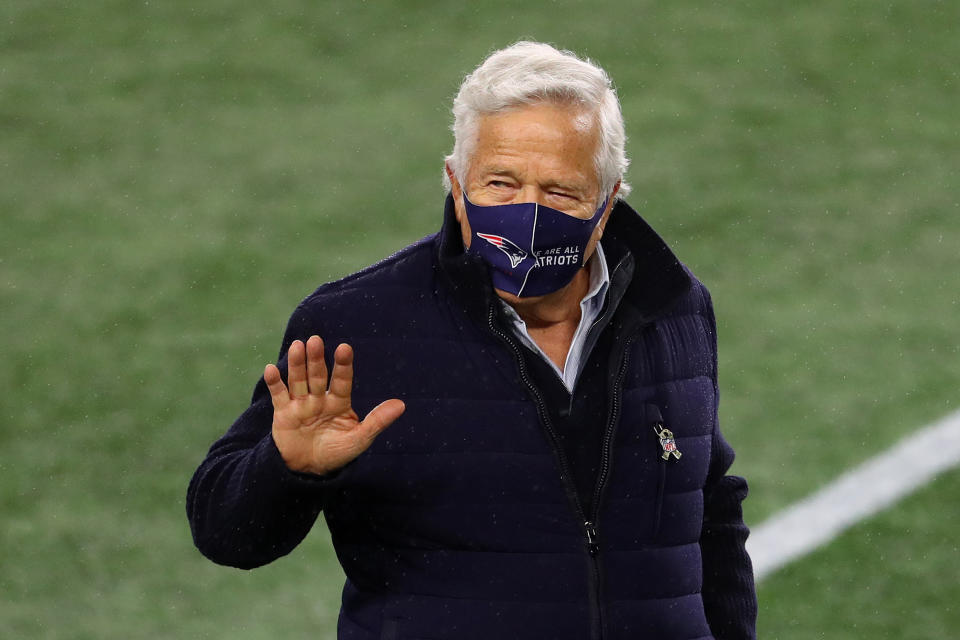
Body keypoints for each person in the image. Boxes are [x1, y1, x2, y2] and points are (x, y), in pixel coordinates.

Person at [187, 41, 757, 639]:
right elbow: (226, 535)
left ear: (608, 202)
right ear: (456, 186)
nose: (528, 212)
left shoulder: (672, 308)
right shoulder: (360, 326)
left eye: (560, 192)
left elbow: (710, 514)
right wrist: (286, 470)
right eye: (501, 183)